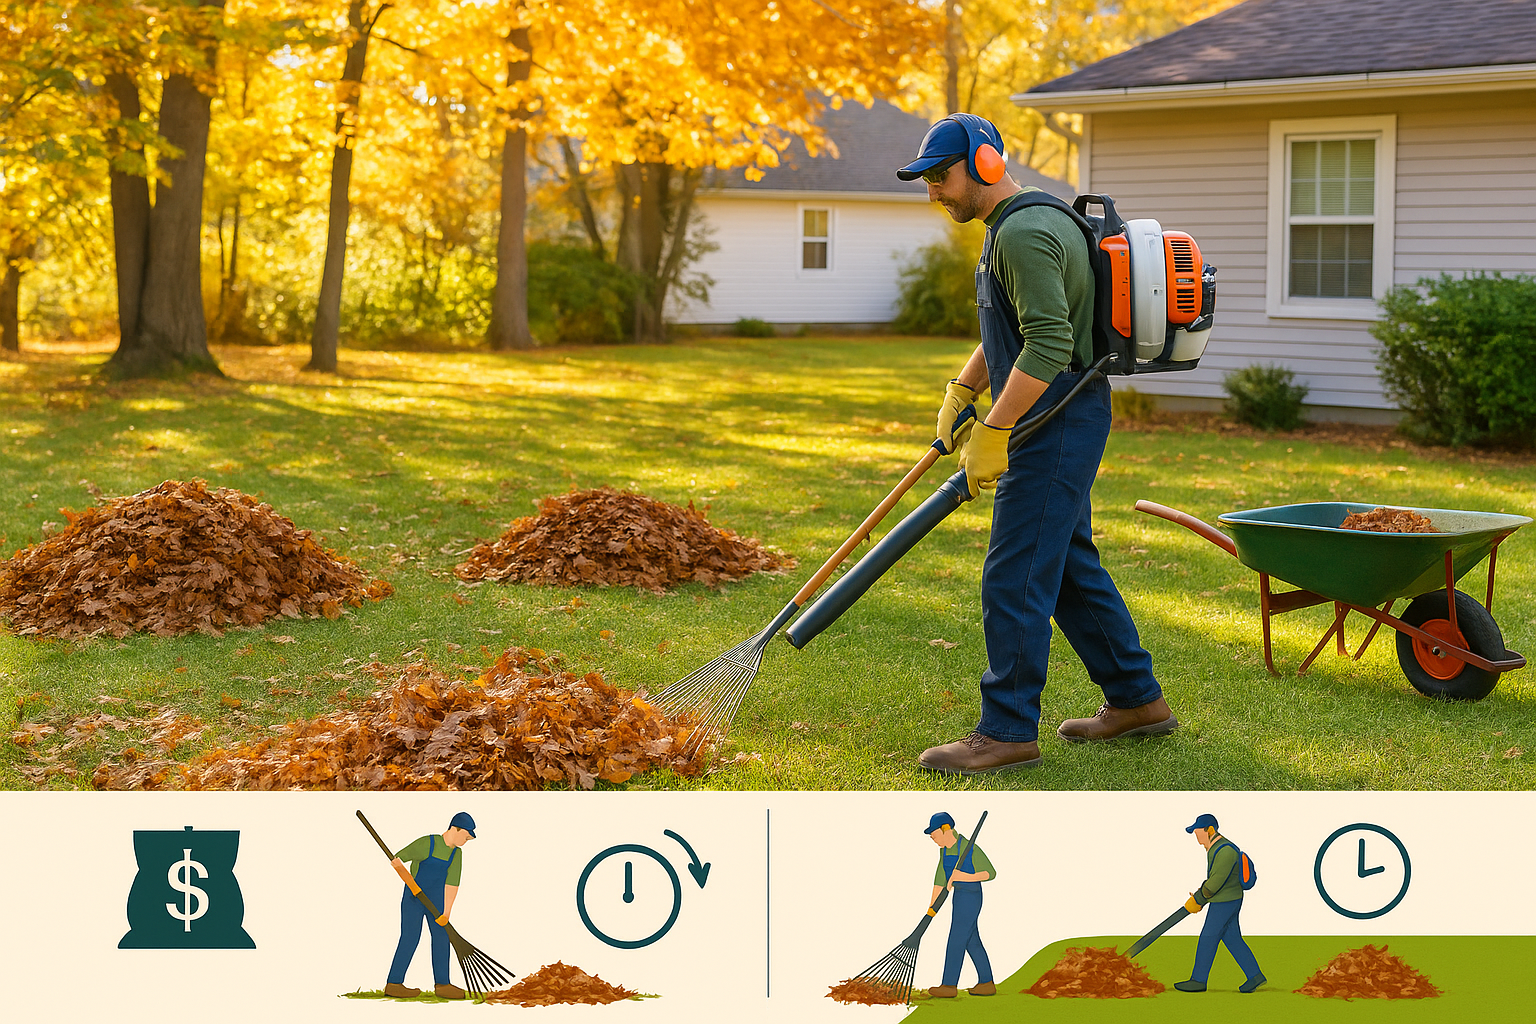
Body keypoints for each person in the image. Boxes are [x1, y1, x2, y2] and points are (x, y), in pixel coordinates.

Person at [895, 113, 1177, 774]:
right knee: (1069, 567)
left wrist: (995, 432)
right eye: (927, 179)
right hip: (1065, 410)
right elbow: (1022, 327)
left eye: (942, 175)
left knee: (1016, 571)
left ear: (986, 164)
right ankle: (1138, 699)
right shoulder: (1028, 223)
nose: (935, 191)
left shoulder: (1023, 232)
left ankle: (1007, 729)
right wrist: (963, 390)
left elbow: (1049, 345)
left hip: (1056, 414)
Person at [383, 811, 477, 999]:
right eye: (465, 836)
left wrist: (447, 912)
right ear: (454, 829)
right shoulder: (428, 843)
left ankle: (443, 985)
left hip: (437, 902)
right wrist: (412, 885)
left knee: (442, 937)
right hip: (413, 900)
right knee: (410, 937)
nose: (466, 840)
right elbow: (397, 860)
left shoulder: (456, 854)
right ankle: (394, 983)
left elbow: (452, 884)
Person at [1176, 813, 1265, 993]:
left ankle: (1198, 980)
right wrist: (1200, 896)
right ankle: (1255, 975)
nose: (1196, 837)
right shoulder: (1216, 848)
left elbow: (1215, 882)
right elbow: (1214, 881)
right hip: (1226, 899)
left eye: (1198, 832)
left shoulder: (1225, 851)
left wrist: (1198, 900)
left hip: (1225, 902)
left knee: (1208, 937)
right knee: (1232, 939)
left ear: (1209, 830)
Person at [924, 812, 996, 998]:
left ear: (946, 829)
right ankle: (987, 983)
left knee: (956, 937)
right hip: (959, 897)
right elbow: (941, 878)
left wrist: (963, 877)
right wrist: (932, 908)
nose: (933, 838)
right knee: (971, 940)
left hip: (971, 897)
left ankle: (949, 985)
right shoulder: (945, 850)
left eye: (934, 834)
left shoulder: (969, 848)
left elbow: (990, 873)